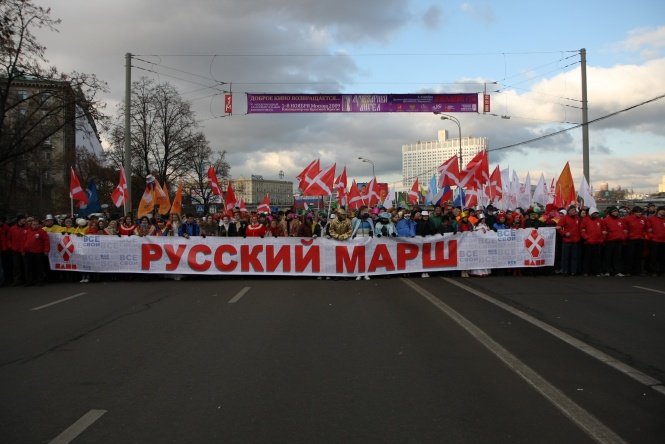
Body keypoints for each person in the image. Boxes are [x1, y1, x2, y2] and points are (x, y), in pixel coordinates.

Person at [21, 218, 50, 287]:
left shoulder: (42, 232)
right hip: (28, 252)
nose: (35, 226)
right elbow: (23, 241)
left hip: (38, 252)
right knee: (29, 267)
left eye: (36, 224)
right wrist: (22, 250)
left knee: (39, 267)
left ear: (39, 225)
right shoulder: (27, 231)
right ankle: (29, 281)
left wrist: (46, 250)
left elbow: (46, 241)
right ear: (31, 225)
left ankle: (40, 280)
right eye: (34, 224)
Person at [601, 206, 627, 277]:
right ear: (611, 212)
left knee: (617, 257)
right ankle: (607, 271)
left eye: (617, 211)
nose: (616, 213)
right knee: (608, 256)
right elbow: (604, 230)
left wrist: (623, 237)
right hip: (610, 240)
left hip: (619, 240)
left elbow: (624, 229)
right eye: (614, 211)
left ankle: (617, 271)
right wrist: (604, 239)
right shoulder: (606, 220)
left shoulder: (620, 220)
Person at [556, 205, 581, 276]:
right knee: (566, 256)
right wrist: (564, 233)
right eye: (572, 210)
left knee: (574, 257)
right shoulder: (564, 218)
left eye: (574, 210)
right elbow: (558, 227)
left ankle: (573, 270)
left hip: (575, 240)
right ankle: (565, 270)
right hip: (567, 240)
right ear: (569, 211)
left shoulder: (577, 218)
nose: (574, 211)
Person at [580, 207, 604, 276]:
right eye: (594, 213)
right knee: (587, 257)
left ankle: (597, 271)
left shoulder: (599, 221)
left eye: (596, 213)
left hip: (597, 242)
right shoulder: (585, 220)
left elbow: (603, 229)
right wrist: (586, 238)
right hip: (589, 242)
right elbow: (582, 229)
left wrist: (602, 238)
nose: (595, 214)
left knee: (597, 258)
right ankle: (586, 271)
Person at [623, 206, 647, 276]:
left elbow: (645, 228)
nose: (640, 214)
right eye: (638, 212)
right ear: (634, 212)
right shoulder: (627, 219)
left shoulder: (644, 219)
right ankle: (628, 270)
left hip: (641, 239)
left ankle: (637, 271)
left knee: (638, 256)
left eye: (640, 212)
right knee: (630, 255)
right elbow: (624, 228)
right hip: (631, 239)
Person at [7, 215, 28, 286]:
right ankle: (17, 280)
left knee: (25, 266)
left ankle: (26, 279)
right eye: (23, 219)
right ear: (19, 220)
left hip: (25, 250)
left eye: (25, 219)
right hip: (15, 250)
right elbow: (8, 239)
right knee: (17, 266)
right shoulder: (12, 229)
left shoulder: (27, 228)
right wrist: (11, 246)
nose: (24, 220)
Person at [646, 205, 665, 276]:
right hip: (655, 240)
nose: (663, 211)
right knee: (654, 256)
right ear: (658, 211)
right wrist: (651, 236)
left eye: (664, 210)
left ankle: (662, 270)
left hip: (663, 241)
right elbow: (648, 229)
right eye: (662, 210)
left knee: (662, 257)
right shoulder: (652, 219)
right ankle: (653, 271)